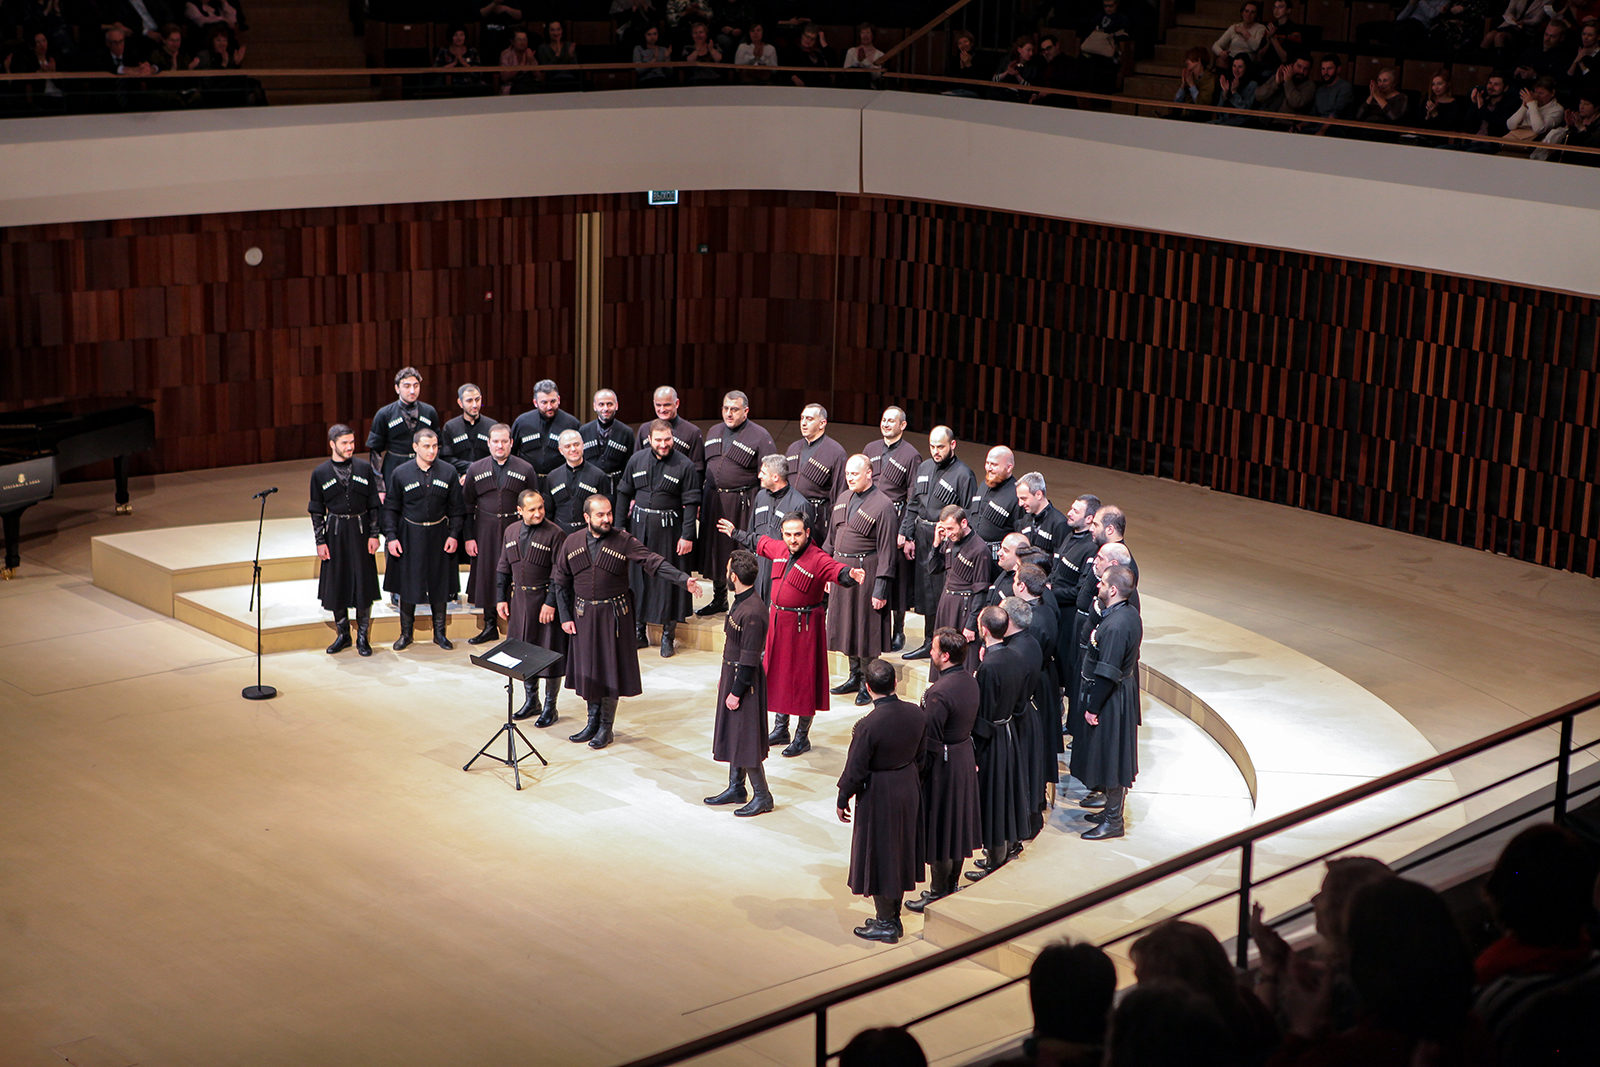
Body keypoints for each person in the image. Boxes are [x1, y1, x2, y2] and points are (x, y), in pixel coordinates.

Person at [551, 494, 701, 749]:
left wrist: (682, 579)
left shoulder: (623, 540)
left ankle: (606, 728)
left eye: (609, 513)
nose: (607, 518)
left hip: (614, 618)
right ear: (587, 517)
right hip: (583, 617)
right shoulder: (572, 541)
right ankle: (592, 722)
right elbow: (560, 582)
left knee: (609, 671)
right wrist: (565, 617)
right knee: (589, 670)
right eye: (600, 515)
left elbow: (653, 561)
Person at [725, 513, 865, 756]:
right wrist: (735, 532)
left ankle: (802, 737)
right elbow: (758, 541)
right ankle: (781, 729)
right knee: (777, 676)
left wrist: (849, 576)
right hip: (779, 626)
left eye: (798, 534)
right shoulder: (779, 548)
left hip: (805, 629)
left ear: (807, 533)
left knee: (803, 682)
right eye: (788, 534)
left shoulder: (818, 558)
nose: (792, 539)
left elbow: (836, 570)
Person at [837, 658, 926, 945]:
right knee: (899, 852)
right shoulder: (916, 713)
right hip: (908, 785)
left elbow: (855, 769)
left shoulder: (868, 725)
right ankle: (893, 917)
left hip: (880, 793)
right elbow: (923, 755)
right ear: (895, 684)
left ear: (868, 687)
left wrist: (842, 797)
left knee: (880, 855)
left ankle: (886, 923)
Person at [906, 628, 982, 913]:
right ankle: (950, 885)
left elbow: (931, 740)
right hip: (963, 756)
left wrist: (920, 772)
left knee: (940, 827)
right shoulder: (970, 681)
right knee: (957, 825)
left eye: (934, 649)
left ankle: (938, 890)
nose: (931, 652)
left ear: (945, 656)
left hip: (944, 765)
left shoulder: (937, 693)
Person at [617, 419, 701, 658]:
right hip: (639, 530)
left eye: (668, 440)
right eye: (659, 440)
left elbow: (691, 503)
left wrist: (687, 535)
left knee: (668, 581)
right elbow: (624, 494)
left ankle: (668, 635)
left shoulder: (685, 465)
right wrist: (620, 528)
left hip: (670, 532)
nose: (664, 445)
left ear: (672, 438)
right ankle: (639, 631)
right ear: (649, 440)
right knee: (638, 580)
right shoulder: (636, 460)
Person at [702, 549, 774, 816]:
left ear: (733, 576)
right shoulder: (741, 601)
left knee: (746, 738)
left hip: (746, 682)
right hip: (733, 673)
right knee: (735, 733)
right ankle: (736, 787)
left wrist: (736, 691)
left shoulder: (753, 611)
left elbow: (749, 658)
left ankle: (763, 796)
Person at [827, 455, 901, 706]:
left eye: (855, 474)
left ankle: (866, 683)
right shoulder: (843, 498)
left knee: (865, 629)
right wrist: (828, 571)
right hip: (841, 571)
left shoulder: (883, 505)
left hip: (866, 573)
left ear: (869, 473)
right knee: (846, 626)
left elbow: (888, 552)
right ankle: (853, 676)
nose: (849, 478)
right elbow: (831, 537)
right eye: (847, 473)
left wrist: (880, 588)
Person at [381, 428, 465, 651]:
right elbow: (390, 508)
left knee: (439, 584)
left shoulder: (448, 472)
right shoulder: (400, 473)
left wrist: (454, 534)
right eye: (426, 446)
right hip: (410, 534)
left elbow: (457, 509)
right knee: (407, 583)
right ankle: (405, 634)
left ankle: (440, 634)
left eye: (435, 446)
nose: (432, 451)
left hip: (439, 534)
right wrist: (391, 537)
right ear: (415, 447)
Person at [900, 426, 979, 660]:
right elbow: (912, 504)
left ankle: (941, 640)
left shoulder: (964, 474)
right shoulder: (923, 467)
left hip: (946, 538)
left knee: (939, 591)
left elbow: (969, 515)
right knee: (924, 591)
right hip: (922, 533)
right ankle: (928, 640)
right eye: (932, 446)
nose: (935, 451)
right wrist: (908, 536)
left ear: (952, 445)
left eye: (940, 447)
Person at [1075, 564, 1141, 840]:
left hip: (1112, 698)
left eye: (1101, 583)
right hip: (1115, 694)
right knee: (1110, 755)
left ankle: (1114, 821)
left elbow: (1108, 670)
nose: (1098, 586)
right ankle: (1110, 812)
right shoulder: (1123, 615)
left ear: (1113, 590)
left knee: (1113, 757)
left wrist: (1092, 707)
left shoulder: (1116, 626)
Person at [967, 604, 1031, 882]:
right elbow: (1020, 702)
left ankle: (994, 858)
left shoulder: (989, 666)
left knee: (993, 798)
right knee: (1005, 794)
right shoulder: (1015, 656)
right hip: (1009, 733)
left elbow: (983, 712)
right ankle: (1002, 851)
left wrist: (974, 748)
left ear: (983, 630)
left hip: (992, 741)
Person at [697, 390, 775, 617]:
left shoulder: (760, 436)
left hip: (742, 504)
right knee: (715, 551)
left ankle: (746, 601)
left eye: (734, 409)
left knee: (740, 553)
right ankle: (719, 598)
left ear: (746, 411)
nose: (729, 414)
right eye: (725, 409)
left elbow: (768, 475)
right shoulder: (713, 431)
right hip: (713, 500)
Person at [308, 423, 381, 656]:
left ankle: (363, 637)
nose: (350, 447)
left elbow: (374, 505)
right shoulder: (320, 473)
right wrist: (320, 541)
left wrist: (374, 535)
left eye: (352, 442)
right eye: (344, 443)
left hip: (360, 532)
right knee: (337, 582)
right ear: (332, 444)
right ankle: (343, 635)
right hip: (336, 532)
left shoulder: (364, 468)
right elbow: (317, 510)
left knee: (363, 583)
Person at [495, 489, 566, 726]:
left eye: (541, 508)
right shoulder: (510, 531)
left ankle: (550, 707)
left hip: (544, 600)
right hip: (520, 601)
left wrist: (550, 602)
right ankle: (531, 701)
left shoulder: (555, 533)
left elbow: (559, 573)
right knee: (524, 652)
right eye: (532, 509)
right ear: (519, 511)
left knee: (548, 652)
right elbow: (503, 567)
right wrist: (501, 597)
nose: (538, 513)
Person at [460, 423, 534, 645]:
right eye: (495, 441)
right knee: (487, 575)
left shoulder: (525, 469)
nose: (500, 446)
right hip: (485, 530)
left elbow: (534, 501)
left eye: (504, 441)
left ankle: (519, 627)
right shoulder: (476, 468)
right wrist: (469, 537)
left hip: (516, 529)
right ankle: (490, 625)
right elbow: (466, 505)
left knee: (518, 574)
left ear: (511, 443)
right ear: (488, 443)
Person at [862, 406, 922, 651]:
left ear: (902, 425)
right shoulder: (870, 449)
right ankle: (873, 626)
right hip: (869, 518)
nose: (886, 424)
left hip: (895, 520)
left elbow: (913, 498)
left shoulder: (911, 455)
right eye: (884, 419)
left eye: (891, 421)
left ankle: (898, 631)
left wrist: (905, 532)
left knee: (897, 578)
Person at [928, 505, 991, 678]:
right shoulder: (948, 541)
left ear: (963, 523)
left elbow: (981, 591)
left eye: (950, 528)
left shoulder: (980, 550)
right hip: (947, 603)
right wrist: (936, 543)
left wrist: (971, 624)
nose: (948, 533)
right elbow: (933, 568)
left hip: (964, 609)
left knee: (962, 658)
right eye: (944, 529)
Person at [741, 453, 812, 600]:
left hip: (782, 571)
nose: (759, 475)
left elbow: (806, 548)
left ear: (775, 477)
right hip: (758, 569)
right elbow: (751, 531)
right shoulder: (760, 496)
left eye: (763, 473)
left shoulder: (799, 504)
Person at [367, 366, 440, 499]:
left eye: (416, 385)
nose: (412, 390)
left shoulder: (429, 412)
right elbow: (375, 452)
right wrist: (379, 486)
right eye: (406, 386)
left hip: (424, 466)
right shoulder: (384, 414)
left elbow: (439, 445)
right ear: (397, 388)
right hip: (394, 466)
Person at [785, 402, 848, 544]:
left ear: (822, 423)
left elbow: (839, 494)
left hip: (817, 520)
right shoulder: (793, 448)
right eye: (802, 418)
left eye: (809, 419)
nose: (804, 423)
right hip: (790, 516)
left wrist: (835, 529)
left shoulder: (836, 452)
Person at [540, 429, 608, 535]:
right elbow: (548, 512)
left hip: (589, 533)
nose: (573, 449)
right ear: (560, 450)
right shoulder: (552, 477)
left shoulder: (599, 476)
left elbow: (606, 510)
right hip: (560, 533)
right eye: (567, 446)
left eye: (576, 444)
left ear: (583, 445)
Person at [510, 378, 581, 476]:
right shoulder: (522, 422)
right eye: (544, 402)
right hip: (528, 479)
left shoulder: (571, 423)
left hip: (560, 480)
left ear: (559, 399)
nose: (549, 407)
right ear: (535, 403)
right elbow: (511, 452)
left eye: (553, 401)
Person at [634, 385, 706, 479]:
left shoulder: (692, 432)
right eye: (658, 405)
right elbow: (636, 462)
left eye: (667, 405)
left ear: (677, 403)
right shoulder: (644, 429)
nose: (662, 409)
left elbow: (698, 470)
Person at [578, 388, 633, 497]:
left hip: (617, 489)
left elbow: (630, 465)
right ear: (595, 406)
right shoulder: (583, 431)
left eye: (609, 404)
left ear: (616, 406)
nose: (605, 408)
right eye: (601, 404)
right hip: (590, 487)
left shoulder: (626, 432)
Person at [970, 446, 1023, 558]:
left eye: (994, 465)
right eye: (987, 463)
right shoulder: (984, 484)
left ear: (1009, 468)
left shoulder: (1017, 496)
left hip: (995, 559)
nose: (989, 468)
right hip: (972, 552)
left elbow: (1020, 537)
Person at [441, 382, 495, 479]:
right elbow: (446, 458)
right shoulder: (450, 427)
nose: (475, 405)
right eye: (469, 401)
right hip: (460, 478)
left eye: (477, 400)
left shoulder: (492, 426)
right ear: (460, 403)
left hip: (487, 477)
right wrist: (470, 467)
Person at [1213, 2, 1268, 67]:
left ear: (1256, 15)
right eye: (1246, 11)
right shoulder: (1234, 27)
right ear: (1242, 13)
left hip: (1247, 61)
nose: (1249, 14)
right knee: (1220, 60)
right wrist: (1221, 53)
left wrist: (1244, 32)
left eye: (1252, 12)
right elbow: (1215, 45)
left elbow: (1255, 47)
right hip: (1232, 59)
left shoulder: (1260, 28)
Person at [499, 28, 539, 95]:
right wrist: (520, 66)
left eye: (525, 40)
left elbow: (538, 77)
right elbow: (504, 77)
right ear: (512, 42)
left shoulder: (529, 53)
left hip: (528, 84)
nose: (522, 42)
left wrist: (531, 60)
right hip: (512, 85)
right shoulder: (506, 54)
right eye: (519, 40)